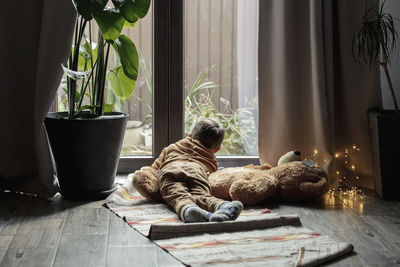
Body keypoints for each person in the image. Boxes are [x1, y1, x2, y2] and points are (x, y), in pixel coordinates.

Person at [151, 119, 243, 223]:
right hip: (197, 171)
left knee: (178, 195)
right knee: (201, 195)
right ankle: (223, 206)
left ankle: (188, 209)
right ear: (217, 149)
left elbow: (154, 169)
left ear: (190, 135)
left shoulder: (171, 147)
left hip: (171, 170)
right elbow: (213, 176)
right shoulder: (211, 159)